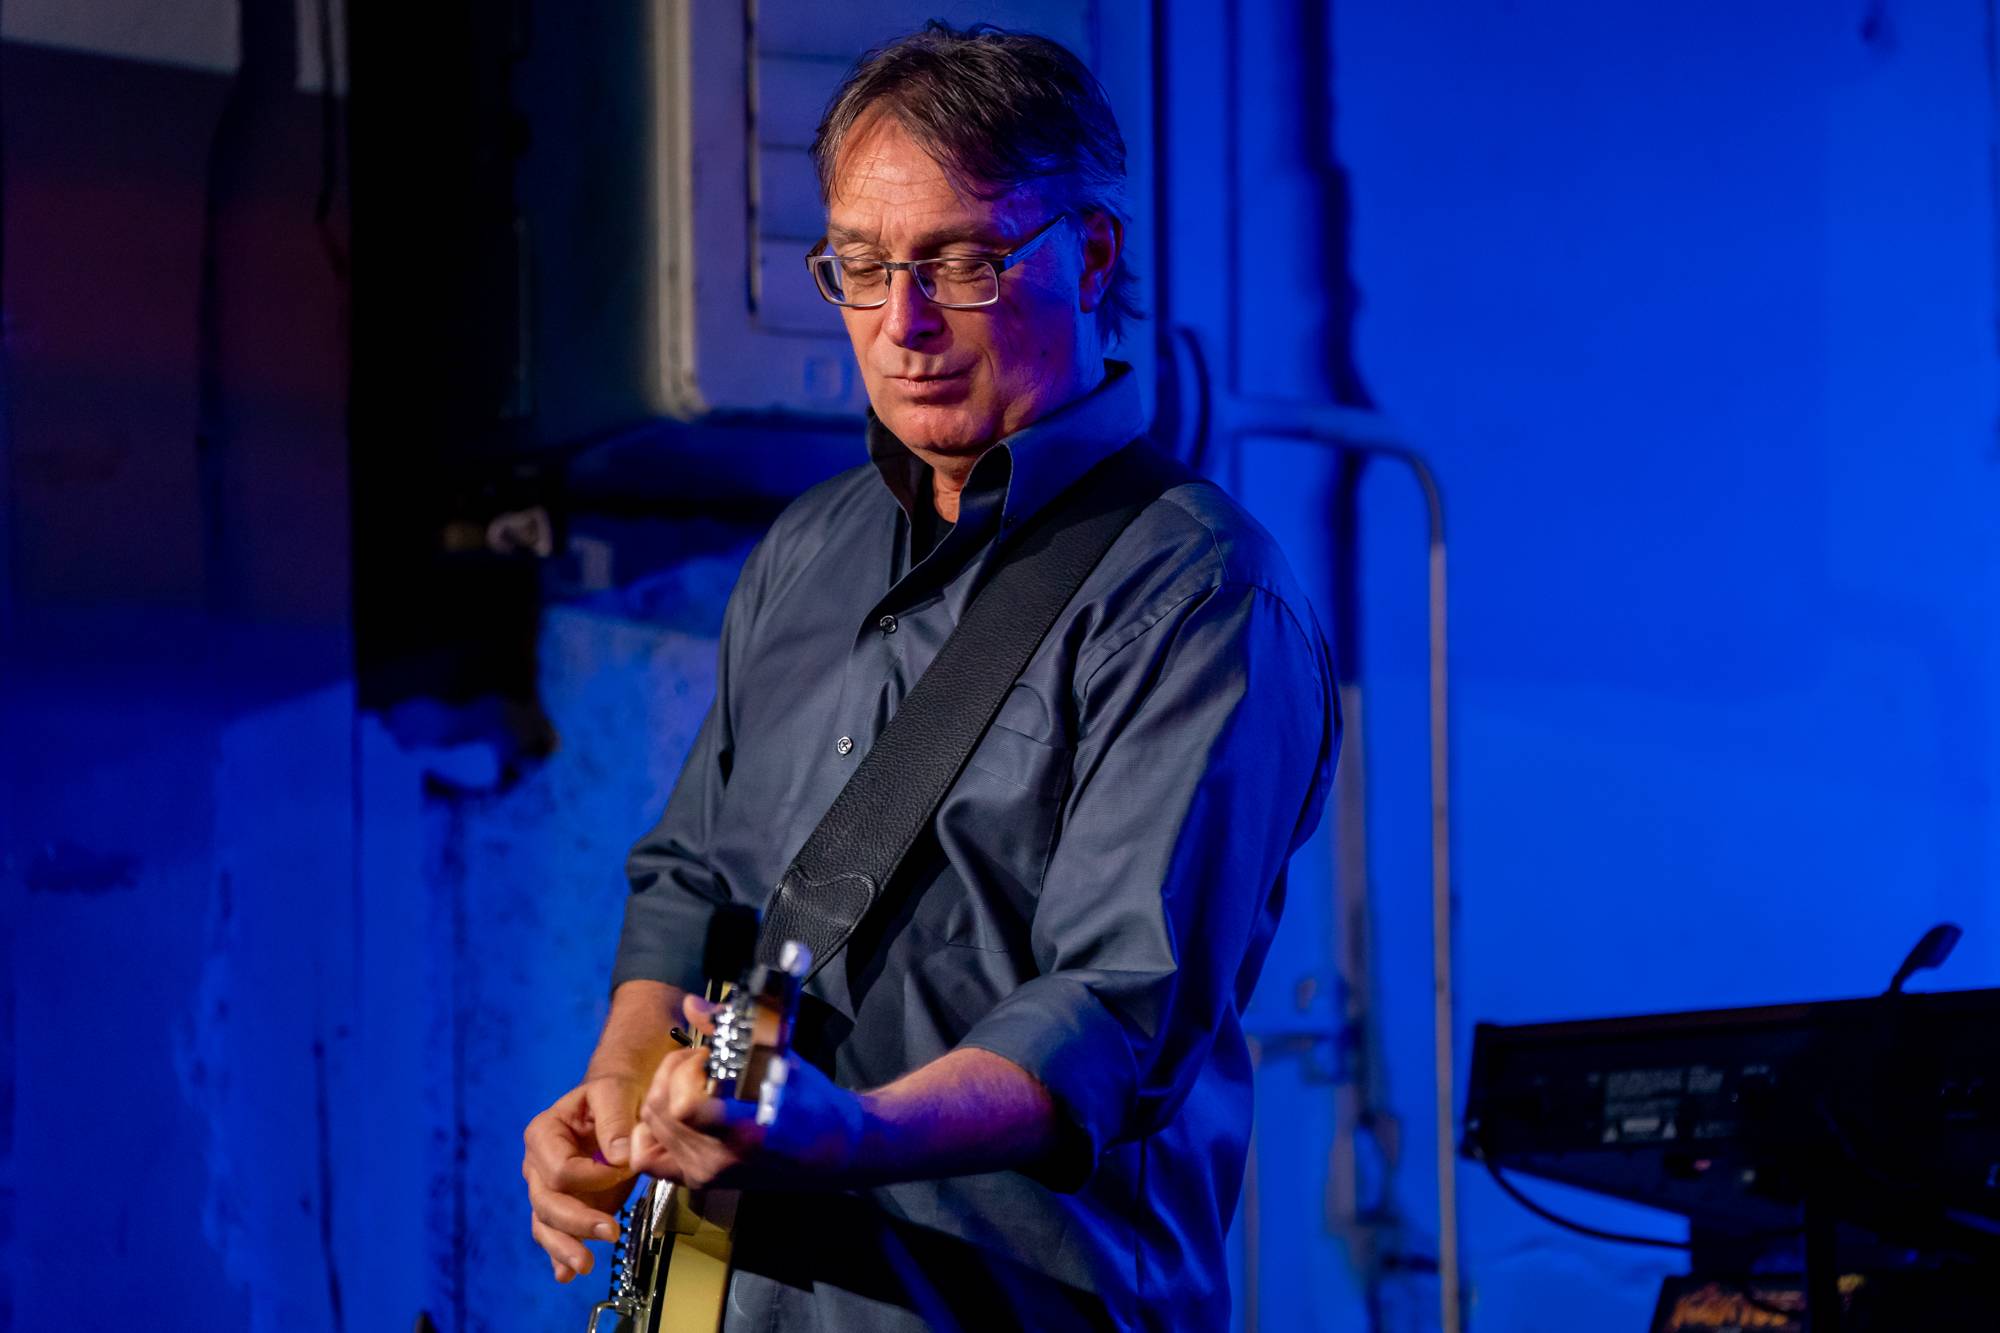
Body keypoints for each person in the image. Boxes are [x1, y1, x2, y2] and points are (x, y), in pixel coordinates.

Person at [522, 22, 1336, 1331]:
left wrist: (849, 1134)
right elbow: (692, 878)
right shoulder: (808, 550)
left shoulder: (1202, 594)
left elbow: (1113, 1013)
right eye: (861, 266)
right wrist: (620, 1086)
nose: (901, 324)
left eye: (962, 263)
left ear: (1092, 255)